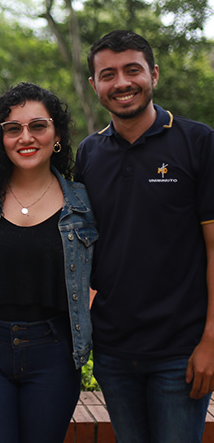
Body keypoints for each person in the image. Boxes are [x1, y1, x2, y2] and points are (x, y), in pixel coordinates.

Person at [76, 30, 214, 442]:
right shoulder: (89, 153)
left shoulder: (198, 142)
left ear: (153, 73)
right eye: (108, 74)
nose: (121, 82)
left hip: (181, 350)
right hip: (114, 351)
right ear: (95, 85)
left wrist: (211, 338)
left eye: (132, 70)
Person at [0, 82, 96, 443]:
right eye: (13, 128)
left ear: (57, 134)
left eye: (38, 126)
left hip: (54, 352)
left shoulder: (82, 202)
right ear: (0, 138)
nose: (25, 137)